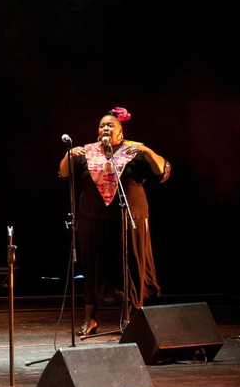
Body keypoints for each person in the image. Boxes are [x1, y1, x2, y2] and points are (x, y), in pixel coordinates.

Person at [60, 107, 169, 336]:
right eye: (102, 125)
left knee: (129, 265)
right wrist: (69, 155)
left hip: (129, 218)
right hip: (92, 218)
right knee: (92, 267)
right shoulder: (88, 152)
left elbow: (160, 170)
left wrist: (146, 151)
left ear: (121, 131)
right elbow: (64, 173)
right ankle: (90, 320)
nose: (105, 128)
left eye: (111, 125)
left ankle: (129, 317)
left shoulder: (133, 150)